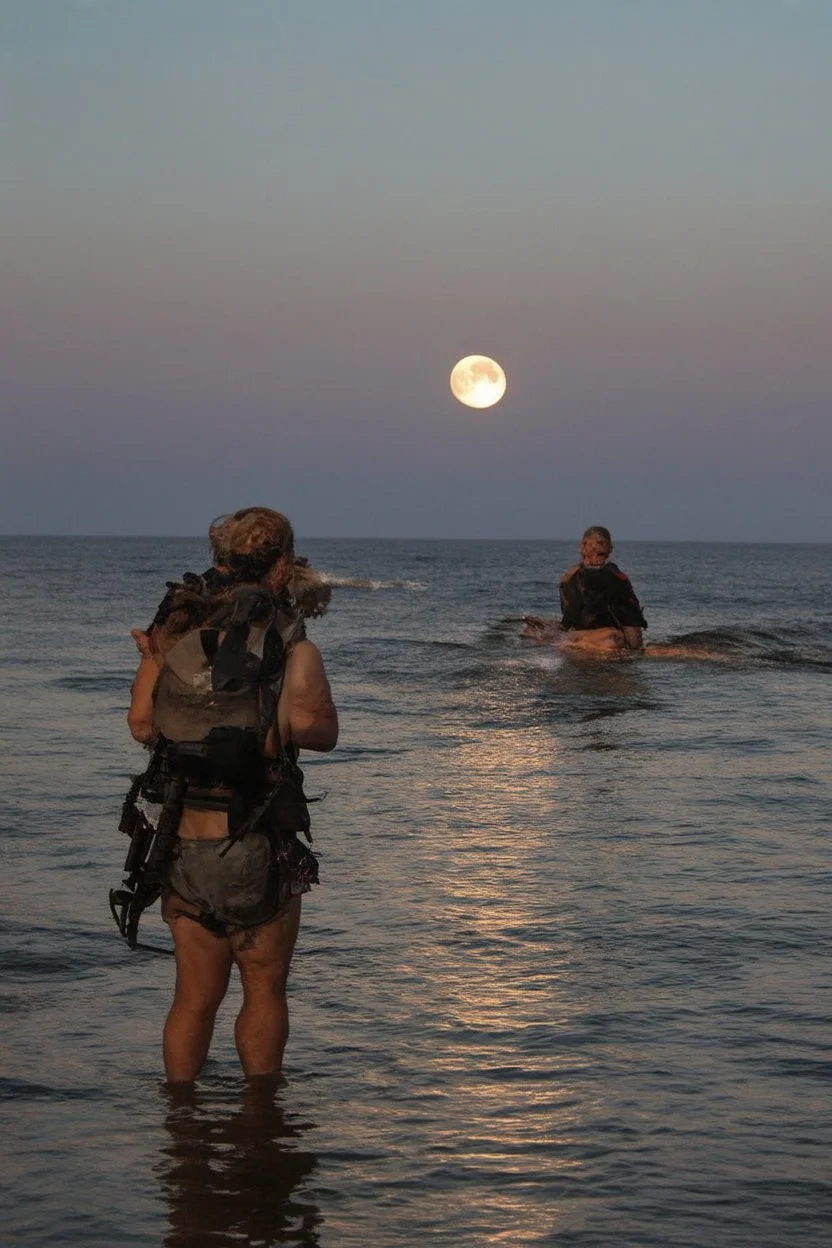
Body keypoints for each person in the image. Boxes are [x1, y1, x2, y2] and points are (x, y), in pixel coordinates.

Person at [122, 507, 338, 1084]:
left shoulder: (174, 635)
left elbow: (142, 724)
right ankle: (261, 1119)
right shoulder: (291, 644)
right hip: (253, 847)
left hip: (178, 844)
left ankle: (180, 1126)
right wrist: (270, 729)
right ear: (283, 565)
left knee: (193, 998)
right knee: (264, 991)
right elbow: (321, 731)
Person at [523, 525, 647, 655]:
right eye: (594, 553)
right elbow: (633, 635)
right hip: (600, 639)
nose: (597, 559)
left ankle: (555, 635)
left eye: (601, 554)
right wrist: (636, 647)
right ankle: (561, 638)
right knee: (614, 639)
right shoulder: (611, 577)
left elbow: (570, 616)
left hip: (582, 639)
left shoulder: (571, 576)